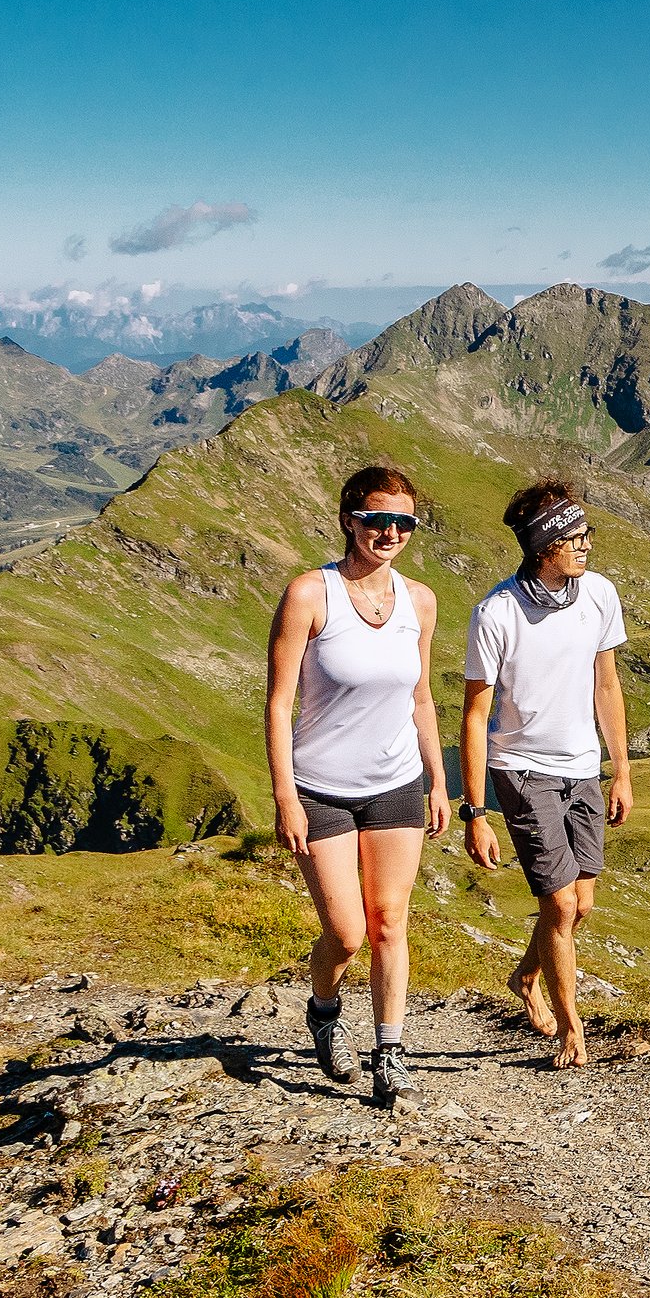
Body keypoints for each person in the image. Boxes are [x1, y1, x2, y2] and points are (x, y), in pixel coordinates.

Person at [265, 465, 451, 1106]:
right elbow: (279, 702)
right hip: (322, 788)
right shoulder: (309, 595)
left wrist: (436, 779)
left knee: (390, 923)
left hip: (396, 782)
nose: (390, 532)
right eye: (376, 520)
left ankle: (388, 1052)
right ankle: (323, 1008)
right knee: (346, 932)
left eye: (404, 522)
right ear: (349, 520)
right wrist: (286, 795)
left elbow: (422, 698)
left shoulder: (420, 602)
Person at [460, 479, 632, 1069]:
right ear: (542, 547)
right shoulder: (497, 613)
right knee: (559, 907)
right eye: (574, 537)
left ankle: (526, 976)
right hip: (520, 769)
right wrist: (477, 812)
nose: (586, 545)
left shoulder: (600, 594)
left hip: (582, 765)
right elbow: (475, 713)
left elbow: (606, 684)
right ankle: (570, 1029)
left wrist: (621, 772)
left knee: (579, 904)